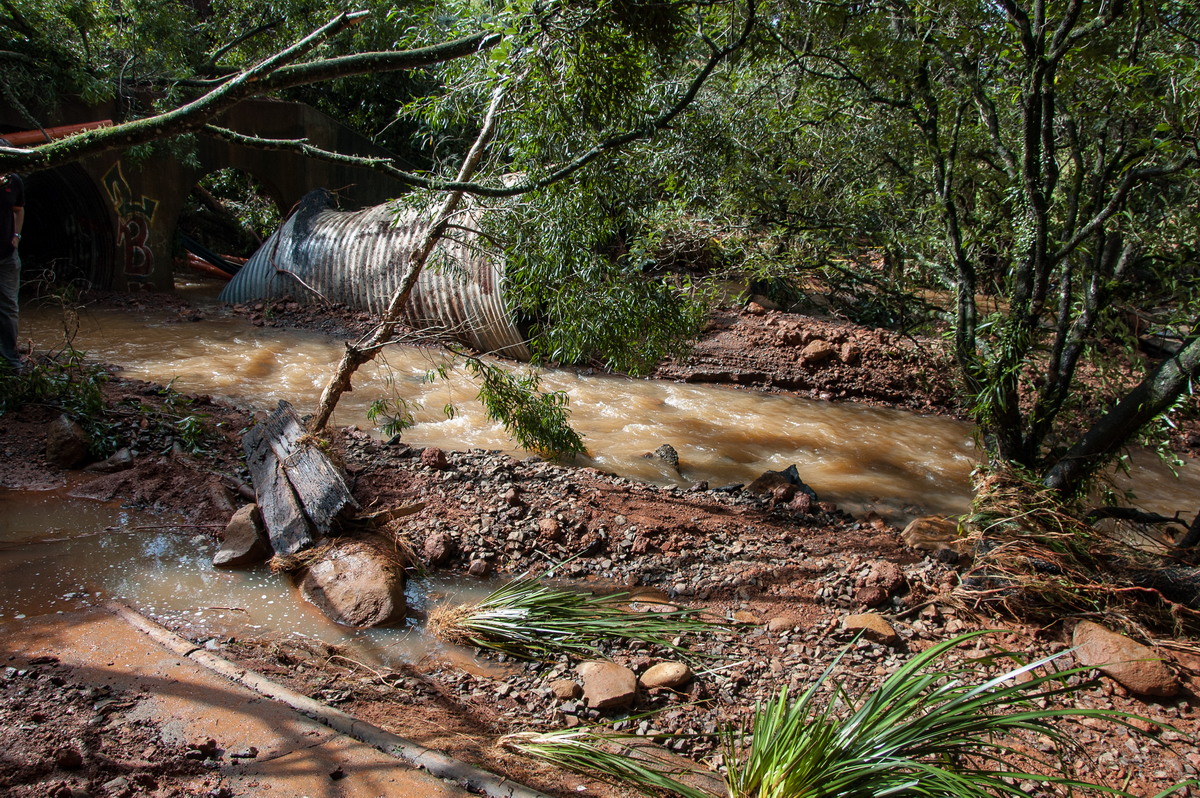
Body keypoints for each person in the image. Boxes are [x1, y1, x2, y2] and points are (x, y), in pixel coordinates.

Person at [0, 164, 24, 374]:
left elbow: (18, 209)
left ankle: (11, 358)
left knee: (8, 307)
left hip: (7, 255)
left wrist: (16, 237)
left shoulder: (14, 181)